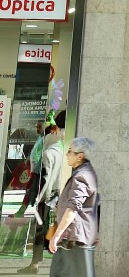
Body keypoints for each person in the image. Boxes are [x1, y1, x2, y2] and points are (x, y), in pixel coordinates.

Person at [18, 113, 66, 274]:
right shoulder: (60, 148)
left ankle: (35, 264)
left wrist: (38, 197)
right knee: (46, 228)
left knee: (40, 229)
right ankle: (37, 263)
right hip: (55, 193)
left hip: (46, 195)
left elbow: (43, 177)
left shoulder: (49, 151)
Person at [49, 137, 99, 277]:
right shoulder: (85, 173)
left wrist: (57, 234)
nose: (67, 154)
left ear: (80, 156)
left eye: (70, 151)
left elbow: (73, 208)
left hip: (74, 240)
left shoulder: (81, 176)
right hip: (75, 238)